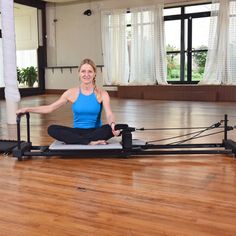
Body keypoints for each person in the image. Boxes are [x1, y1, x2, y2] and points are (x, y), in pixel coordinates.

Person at [16, 58, 120, 145]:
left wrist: (112, 125)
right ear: (79, 73)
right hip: (76, 132)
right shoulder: (71, 93)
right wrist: (27, 109)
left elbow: (109, 113)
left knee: (114, 128)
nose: (86, 74)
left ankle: (82, 141)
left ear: (94, 74)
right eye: (83, 71)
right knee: (52, 129)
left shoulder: (102, 93)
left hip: (95, 131)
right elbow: (50, 108)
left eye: (90, 71)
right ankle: (90, 142)